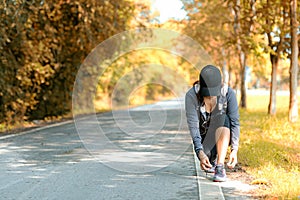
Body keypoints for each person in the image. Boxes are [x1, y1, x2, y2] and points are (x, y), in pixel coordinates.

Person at [185, 65, 240, 182]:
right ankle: (211, 160)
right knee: (207, 158)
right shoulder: (191, 96)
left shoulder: (228, 93)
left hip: (222, 135)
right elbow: (193, 126)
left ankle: (220, 166)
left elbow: (235, 123)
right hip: (204, 140)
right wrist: (200, 152)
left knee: (223, 117)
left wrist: (234, 150)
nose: (210, 96)